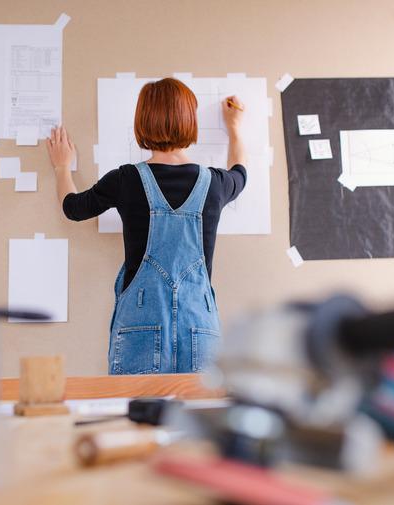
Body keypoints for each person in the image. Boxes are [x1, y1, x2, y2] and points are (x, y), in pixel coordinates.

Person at [47, 78, 247, 374]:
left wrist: (63, 167)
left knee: (138, 419)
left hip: (139, 330)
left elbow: (73, 208)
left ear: (142, 122)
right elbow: (240, 173)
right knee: (197, 418)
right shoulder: (216, 184)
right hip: (200, 331)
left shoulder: (125, 180)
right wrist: (234, 127)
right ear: (190, 122)